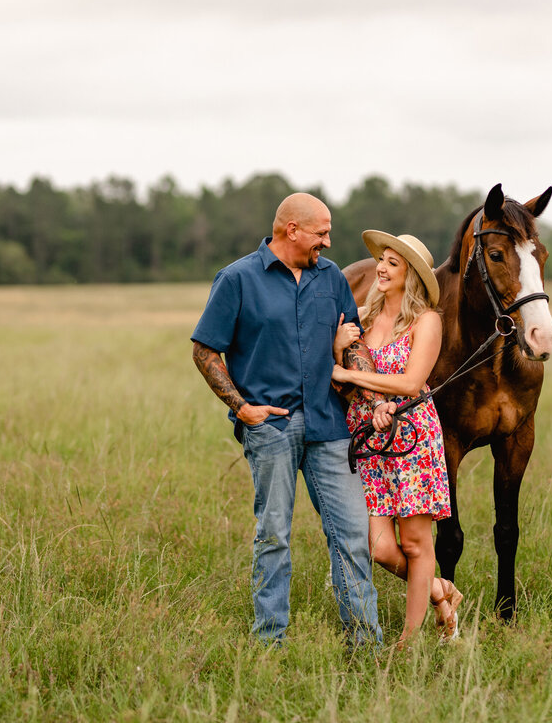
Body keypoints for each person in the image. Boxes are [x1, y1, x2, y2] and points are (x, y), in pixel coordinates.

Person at [190, 193, 382, 649]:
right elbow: (204, 350)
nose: (329, 242)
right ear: (291, 229)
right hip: (271, 427)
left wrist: (369, 387)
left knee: (351, 534)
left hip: (328, 423)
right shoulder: (237, 279)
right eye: (322, 232)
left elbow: (352, 343)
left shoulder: (331, 278)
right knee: (274, 535)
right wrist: (242, 408)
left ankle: (365, 644)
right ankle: (269, 642)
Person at [331, 231, 464, 644]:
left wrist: (349, 372)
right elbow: (339, 376)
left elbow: (410, 383)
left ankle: (409, 639)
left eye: (394, 263)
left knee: (416, 542)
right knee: (380, 547)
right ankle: (442, 592)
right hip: (369, 438)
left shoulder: (427, 320)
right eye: (382, 260)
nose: (383, 268)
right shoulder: (362, 317)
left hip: (411, 435)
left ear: (413, 276)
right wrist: (338, 350)